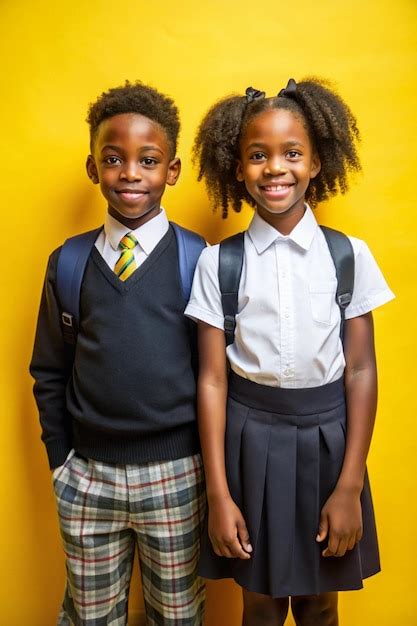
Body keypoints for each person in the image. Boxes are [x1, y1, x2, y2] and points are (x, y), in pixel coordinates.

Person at [185, 78, 394, 625]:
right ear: (237, 168)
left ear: (318, 162)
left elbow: (362, 370)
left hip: (330, 445)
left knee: (321, 602)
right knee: (261, 602)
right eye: (258, 155)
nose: (275, 168)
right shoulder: (219, 263)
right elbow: (210, 380)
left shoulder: (348, 256)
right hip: (248, 444)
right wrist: (220, 494)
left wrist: (349, 486)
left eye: (292, 153)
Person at [30, 81, 206, 626]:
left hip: (177, 474)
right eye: (114, 159)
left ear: (171, 170)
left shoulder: (199, 259)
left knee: (176, 615)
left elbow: (216, 375)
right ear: (92, 167)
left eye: (148, 160)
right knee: (90, 616)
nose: (130, 173)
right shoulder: (69, 262)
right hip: (88, 475)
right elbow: (49, 370)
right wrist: (63, 462)